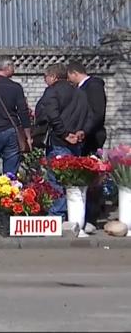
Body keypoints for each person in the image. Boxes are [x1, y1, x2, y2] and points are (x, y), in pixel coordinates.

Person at [34, 63, 94, 220]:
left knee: (57, 180)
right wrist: (82, 132)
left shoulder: (52, 91)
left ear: (53, 76)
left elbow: (51, 115)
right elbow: (89, 116)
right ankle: (73, 215)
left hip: (59, 141)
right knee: (72, 180)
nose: (45, 80)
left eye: (45, 77)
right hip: (77, 142)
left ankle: (57, 216)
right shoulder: (79, 92)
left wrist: (64, 134)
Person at [67, 61, 107, 231]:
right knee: (84, 178)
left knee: (93, 178)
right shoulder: (82, 88)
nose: (68, 81)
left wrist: (85, 130)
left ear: (74, 73)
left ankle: (92, 217)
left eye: (69, 77)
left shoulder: (93, 86)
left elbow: (97, 113)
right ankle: (82, 214)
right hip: (83, 137)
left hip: (92, 137)